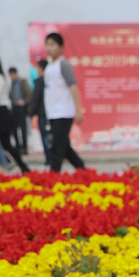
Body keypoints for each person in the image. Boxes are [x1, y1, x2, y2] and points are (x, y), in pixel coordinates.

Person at [42, 31, 86, 172]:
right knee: (64, 146)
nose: (49, 48)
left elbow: (73, 86)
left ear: (61, 47)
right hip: (54, 113)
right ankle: (83, 171)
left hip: (64, 112)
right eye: (47, 44)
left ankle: (53, 177)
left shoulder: (63, 65)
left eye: (52, 44)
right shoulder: (49, 67)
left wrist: (78, 110)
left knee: (57, 147)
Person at [27, 58, 51, 164]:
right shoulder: (51, 80)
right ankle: (52, 157)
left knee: (45, 136)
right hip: (53, 113)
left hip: (43, 114)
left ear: (41, 68)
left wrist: (32, 114)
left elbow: (35, 99)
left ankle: (49, 158)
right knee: (51, 136)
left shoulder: (39, 82)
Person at [7, 67, 31, 154]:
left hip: (21, 108)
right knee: (14, 129)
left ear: (15, 73)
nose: (11, 77)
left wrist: (24, 102)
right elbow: (10, 95)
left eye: (12, 75)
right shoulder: (12, 83)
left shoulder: (22, 81)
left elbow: (29, 93)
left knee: (23, 128)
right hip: (14, 109)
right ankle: (17, 147)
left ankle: (24, 148)